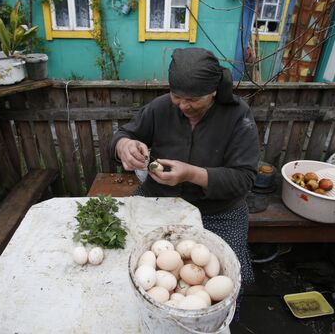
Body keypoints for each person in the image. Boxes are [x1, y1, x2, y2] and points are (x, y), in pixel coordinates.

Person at [110, 47, 260, 318]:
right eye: (176, 96)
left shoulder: (238, 116)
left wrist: (191, 174)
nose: (182, 105)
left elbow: (244, 178)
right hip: (159, 199)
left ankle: (214, 321)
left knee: (228, 277)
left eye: (192, 99)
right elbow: (124, 133)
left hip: (219, 211)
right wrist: (125, 146)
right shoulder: (159, 108)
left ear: (213, 91)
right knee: (129, 257)